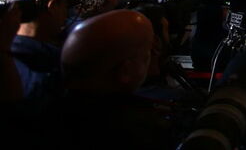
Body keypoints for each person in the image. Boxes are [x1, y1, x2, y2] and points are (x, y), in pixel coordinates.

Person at [55, 9, 171, 150]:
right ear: (125, 71)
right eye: (146, 55)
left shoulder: (45, 116)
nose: (154, 55)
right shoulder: (141, 134)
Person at [9, 0, 68, 108]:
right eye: (64, 7)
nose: (66, 15)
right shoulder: (28, 57)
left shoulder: (11, 51)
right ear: (52, 7)